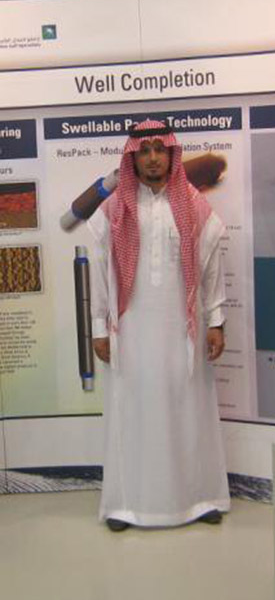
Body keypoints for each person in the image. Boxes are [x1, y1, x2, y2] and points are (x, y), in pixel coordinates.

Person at [88, 119, 230, 531]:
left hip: (183, 332)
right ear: (133, 157)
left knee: (190, 408)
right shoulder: (115, 208)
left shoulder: (193, 205)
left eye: (159, 149)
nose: (152, 158)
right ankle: (126, 505)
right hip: (131, 332)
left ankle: (200, 499)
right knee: (132, 411)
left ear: (171, 154)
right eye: (144, 150)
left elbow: (211, 266)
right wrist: (99, 326)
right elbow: (99, 270)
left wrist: (216, 321)